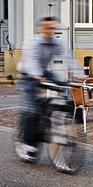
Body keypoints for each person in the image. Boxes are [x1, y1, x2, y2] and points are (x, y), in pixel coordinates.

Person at [16, 16, 69, 161]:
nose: (50, 31)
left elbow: (69, 58)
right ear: (41, 29)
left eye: (52, 28)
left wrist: (77, 75)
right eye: (47, 28)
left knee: (63, 84)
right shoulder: (34, 43)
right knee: (31, 109)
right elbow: (32, 61)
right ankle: (27, 144)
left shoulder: (57, 43)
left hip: (44, 72)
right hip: (28, 74)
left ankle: (49, 123)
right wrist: (37, 75)